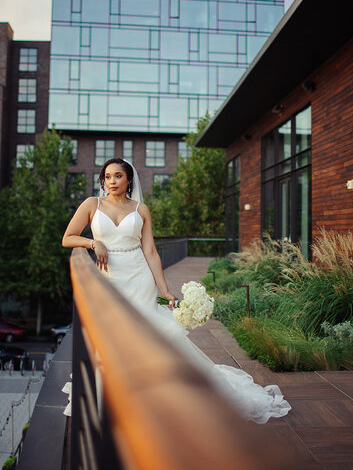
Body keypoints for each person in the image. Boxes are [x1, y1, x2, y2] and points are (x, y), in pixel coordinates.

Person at [62, 158, 291, 424]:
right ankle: (113, 397)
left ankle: (147, 397)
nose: (111, 181)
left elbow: (150, 251)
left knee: (145, 335)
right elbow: (68, 238)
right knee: (111, 335)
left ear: (129, 180)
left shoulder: (141, 210)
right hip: (109, 279)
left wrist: (165, 290)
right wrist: (93, 243)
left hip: (140, 278)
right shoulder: (92, 204)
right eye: (108, 176)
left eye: (118, 176)